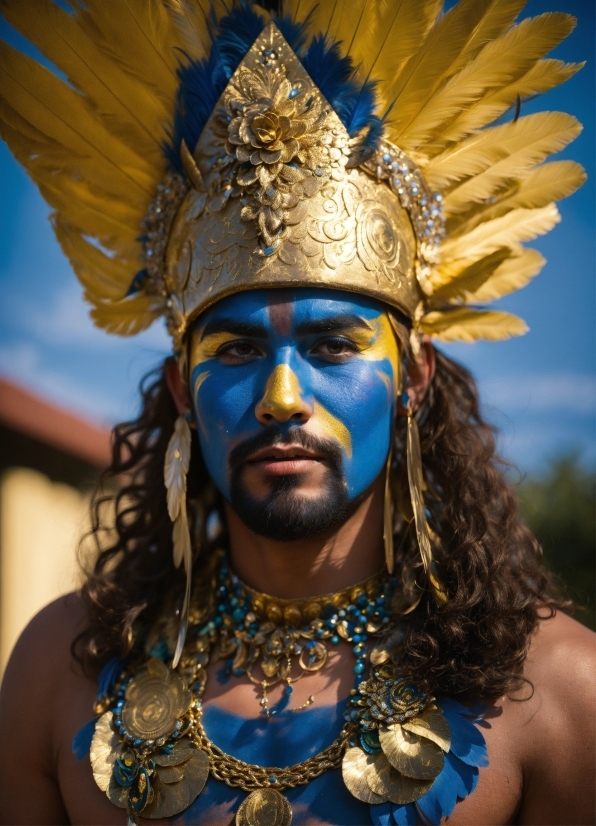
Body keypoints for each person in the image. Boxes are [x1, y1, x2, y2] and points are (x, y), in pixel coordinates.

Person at [0, 1, 594, 824]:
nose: (282, 397)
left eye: (333, 346)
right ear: (182, 393)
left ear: (411, 378)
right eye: (237, 352)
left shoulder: (560, 691)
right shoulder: (56, 672)